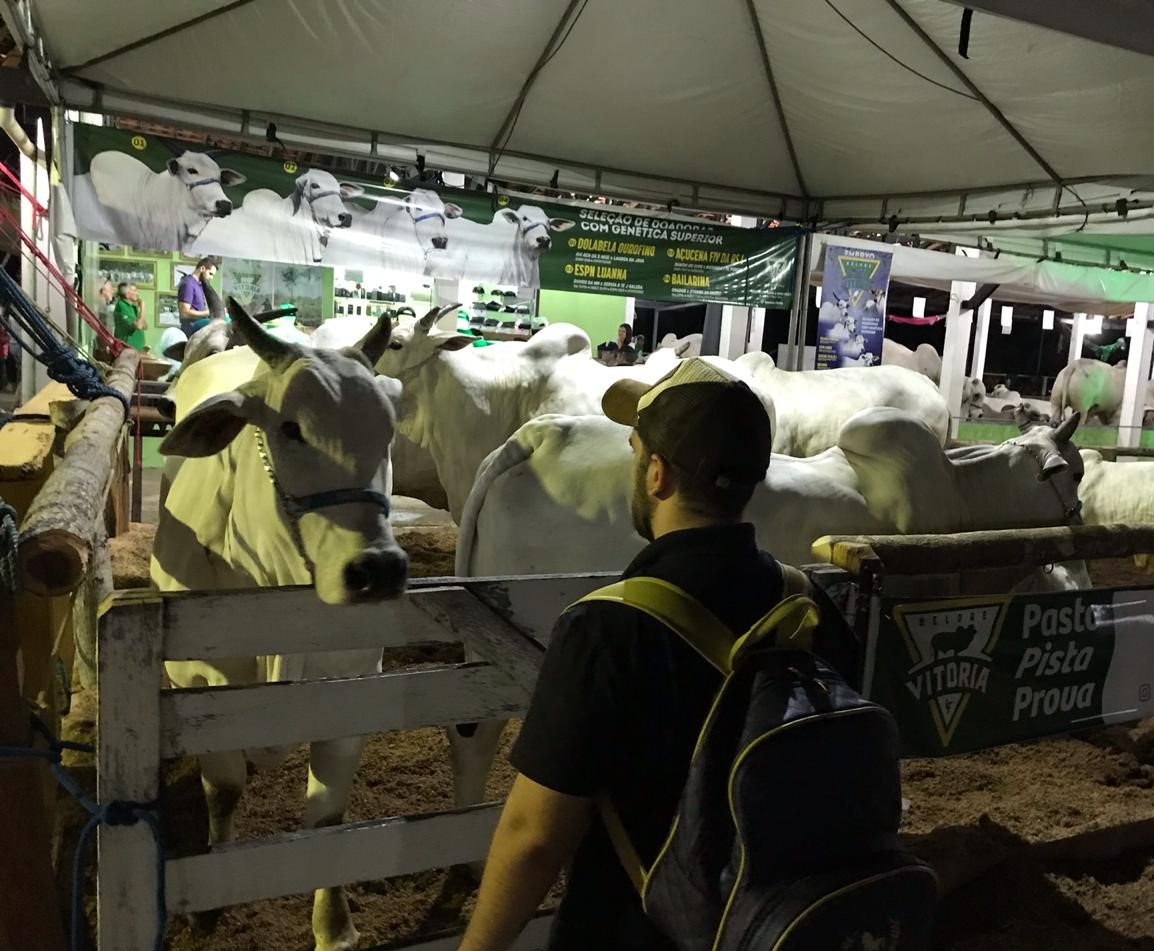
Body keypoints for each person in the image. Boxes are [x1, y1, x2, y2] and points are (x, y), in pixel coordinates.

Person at [459, 358, 860, 951]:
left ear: (656, 475)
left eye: (634, 449)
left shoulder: (607, 628)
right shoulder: (809, 607)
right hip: (770, 926)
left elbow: (535, 839)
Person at [177, 256, 218, 337]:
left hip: (199, 324)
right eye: (210, 274)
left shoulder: (199, 284)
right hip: (191, 327)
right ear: (202, 268)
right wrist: (209, 313)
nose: (211, 278)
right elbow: (184, 313)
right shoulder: (188, 284)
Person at [112, 282, 148, 351]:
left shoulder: (133, 307)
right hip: (126, 350)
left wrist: (140, 312)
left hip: (137, 350)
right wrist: (143, 308)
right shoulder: (121, 306)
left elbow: (145, 326)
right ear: (127, 295)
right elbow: (139, 326)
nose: (137, 293)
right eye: (134, 291)